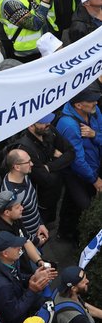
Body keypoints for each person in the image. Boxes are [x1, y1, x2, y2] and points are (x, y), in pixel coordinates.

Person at [0, 231, 55, 323]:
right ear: (5, 253)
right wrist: (32, 290)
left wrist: (33, 277)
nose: (19, 248)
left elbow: (17, 278)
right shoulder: (0, 285)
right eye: (15, 246)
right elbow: (13, 313)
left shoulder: (8, 262)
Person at [55, 88, 102, 230]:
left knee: (73, 201)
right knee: (84, 205)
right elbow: (77, 160)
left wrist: (94, 135)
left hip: (92, 166)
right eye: (91, 100)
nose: (96, 102)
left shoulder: (94, 111)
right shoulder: (69, 125)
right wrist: (94, 179)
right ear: (78, 105)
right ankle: (72, 234)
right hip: (75, 172)